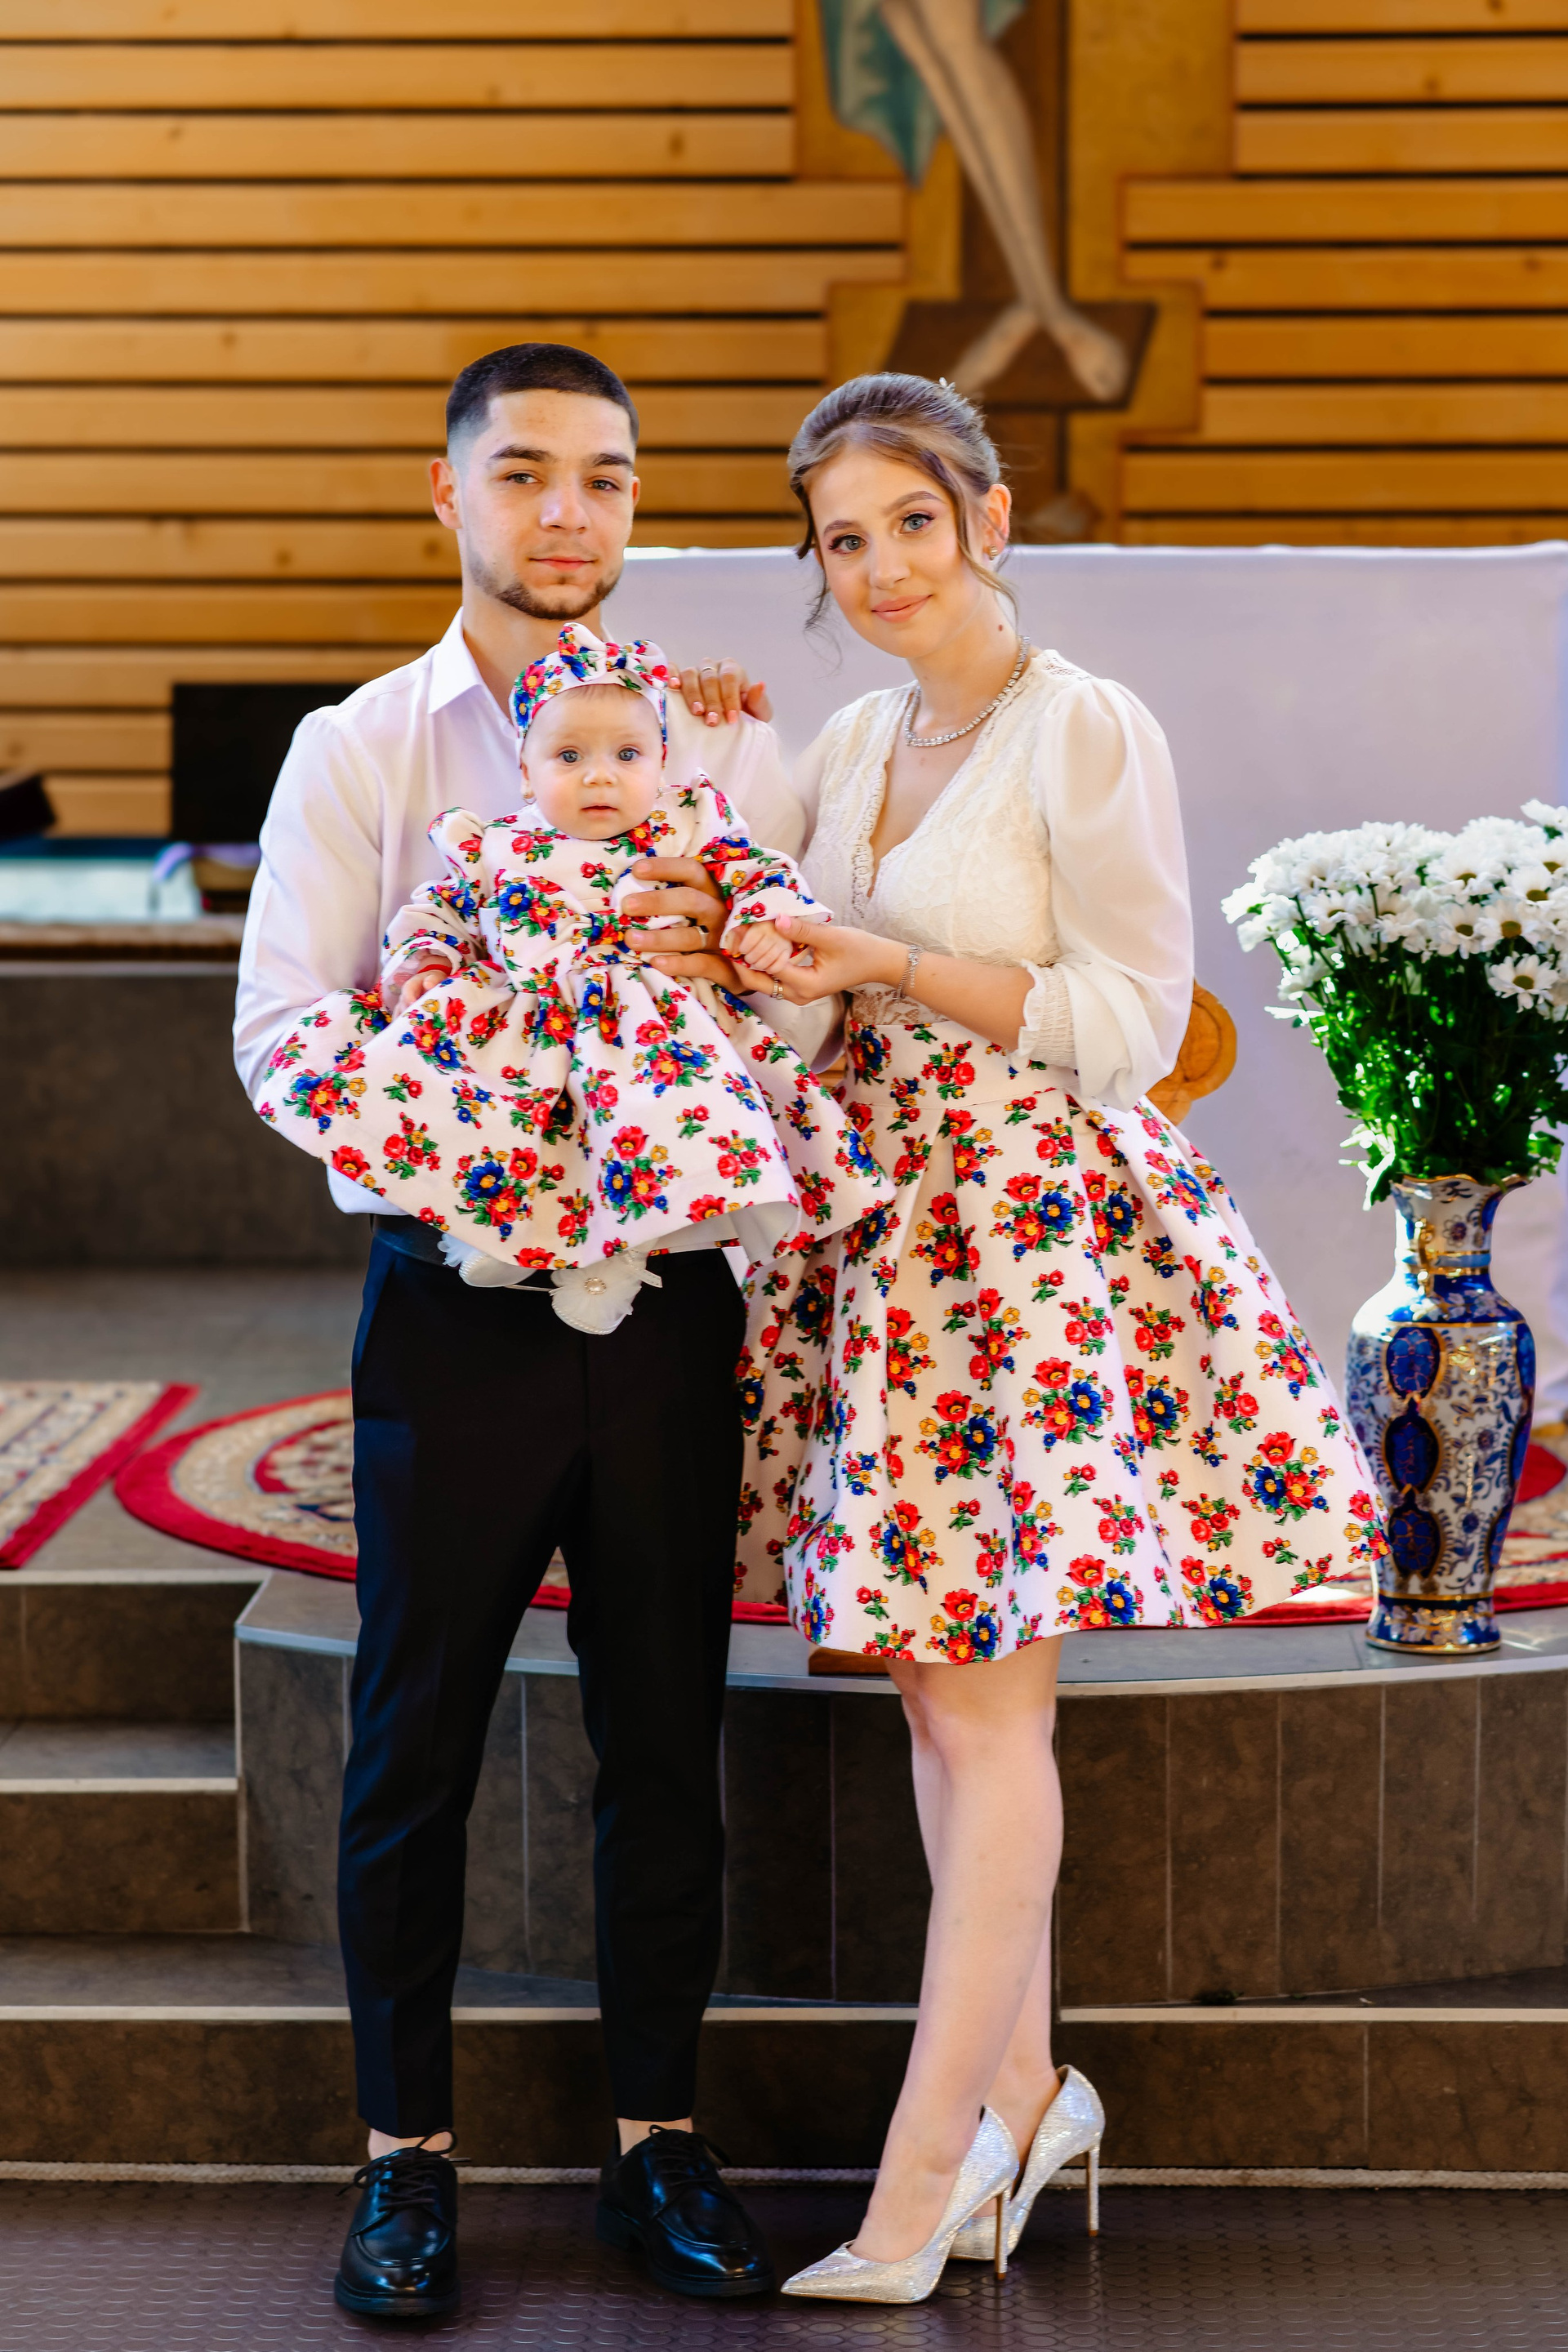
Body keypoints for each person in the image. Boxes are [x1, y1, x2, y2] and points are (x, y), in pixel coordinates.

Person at [724, 372, 1390, 2303]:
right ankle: (1027, 2096)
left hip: (1028, 1232)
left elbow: (1132, 1015)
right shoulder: (854, 739)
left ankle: (918, 2182)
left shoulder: (1080, 722)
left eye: (910, 525)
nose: (879, 568)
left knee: (992, 1704)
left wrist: (886, 961)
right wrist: (760, 947)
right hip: (885, 1233)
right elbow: (816, 1012)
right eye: (842, 540)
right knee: (935, 1691)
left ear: (988, 518)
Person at [234, 343, 794, 2320]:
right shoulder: (363, 748)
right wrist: (488, 1141)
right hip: (458, 1299)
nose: (571, 511)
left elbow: (803, 1005)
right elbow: (286, 1025)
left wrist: (735, 971)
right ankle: (405, 2157)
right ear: (449, 493)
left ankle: (659, 2141)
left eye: (609, 479)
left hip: (667, 1306)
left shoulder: (712, 745)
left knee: (666, 1732)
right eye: (529, 472)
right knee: (413, 1735)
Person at [256, 623, 884, 1303]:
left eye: (627, 754)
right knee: (490, 1107)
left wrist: (760, 920)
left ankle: (617, 1262)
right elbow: (436, 909)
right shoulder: (496, 845)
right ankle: (486, 1228)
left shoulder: (687, 825)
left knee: (664, 1115)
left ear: (661, 763)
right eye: (568, 756)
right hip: (527, 1017)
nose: (599, 774)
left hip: (654, 1026)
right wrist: (426, 960)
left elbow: (762, 872)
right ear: (527, 773)